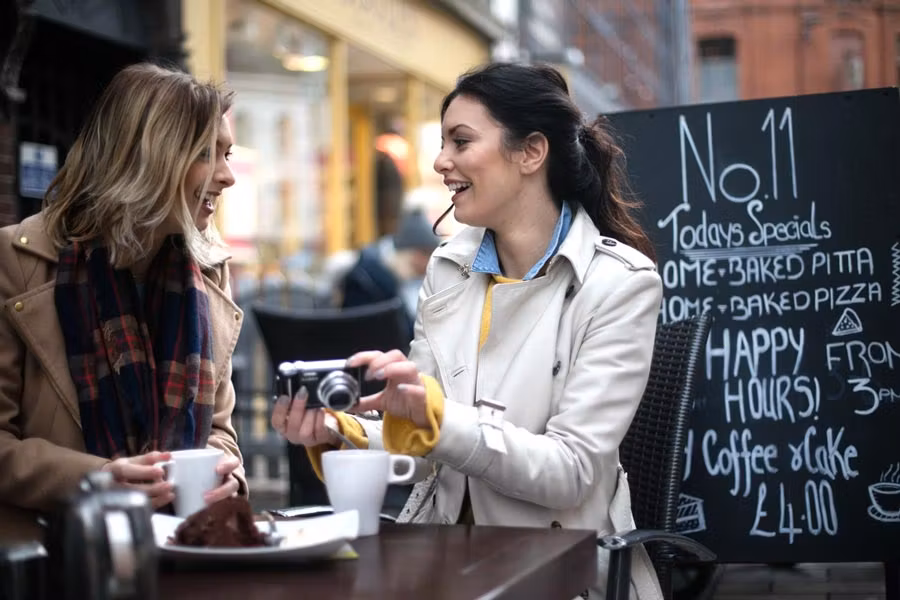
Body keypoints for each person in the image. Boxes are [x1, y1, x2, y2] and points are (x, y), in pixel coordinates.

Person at [272, 62, 664, 599]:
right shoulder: (447, 267)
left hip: (556, 575)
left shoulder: (621, 284)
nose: (440, 162)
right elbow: (423, 448)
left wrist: (433, 418)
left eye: (461, 141)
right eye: (442, 143)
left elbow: (570, 473)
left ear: (530, 152)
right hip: (437, 562)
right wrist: (341, 433)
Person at [0, 63, 246, 542]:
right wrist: (96, 479)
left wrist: (226, 476)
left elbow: (220, 430)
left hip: (183, 555)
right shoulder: (14, 260)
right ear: (147, 157)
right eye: (205, 154)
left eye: (227, 153)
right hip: (54, 560)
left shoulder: (209, 269)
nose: (227, 175)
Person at [331, 208, 440, 336]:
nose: (427, 265)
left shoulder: (382, 276)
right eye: (427, 255)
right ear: (417, 255)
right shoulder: (367, 281)